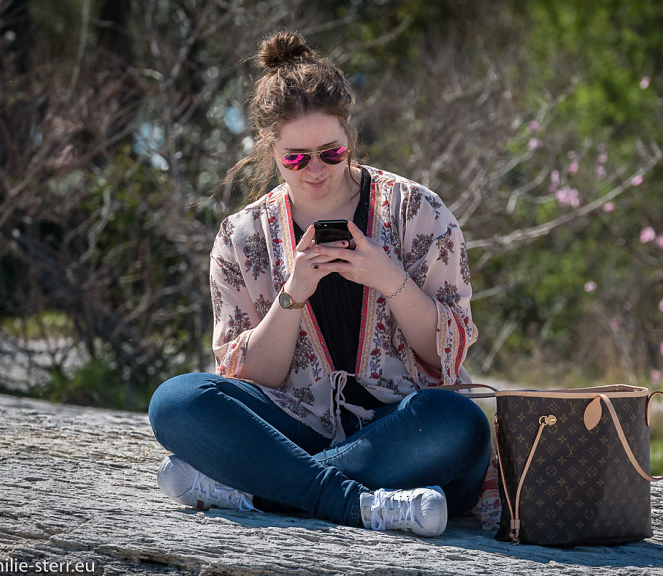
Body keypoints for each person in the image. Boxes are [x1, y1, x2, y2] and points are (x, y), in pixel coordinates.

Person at [147, 30, 492, 538]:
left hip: (404, 436)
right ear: (270, 147)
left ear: (349, 137)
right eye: (295, 158)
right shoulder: (241, 237)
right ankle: (361, 505)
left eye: (331, 153)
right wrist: (291, 297)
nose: (315, 171)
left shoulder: (418, 211)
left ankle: (258, 489)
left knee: (459, 423)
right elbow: (252, 379)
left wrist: (390, 278)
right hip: (295, 430)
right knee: (176, 401)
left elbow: (446, 357)